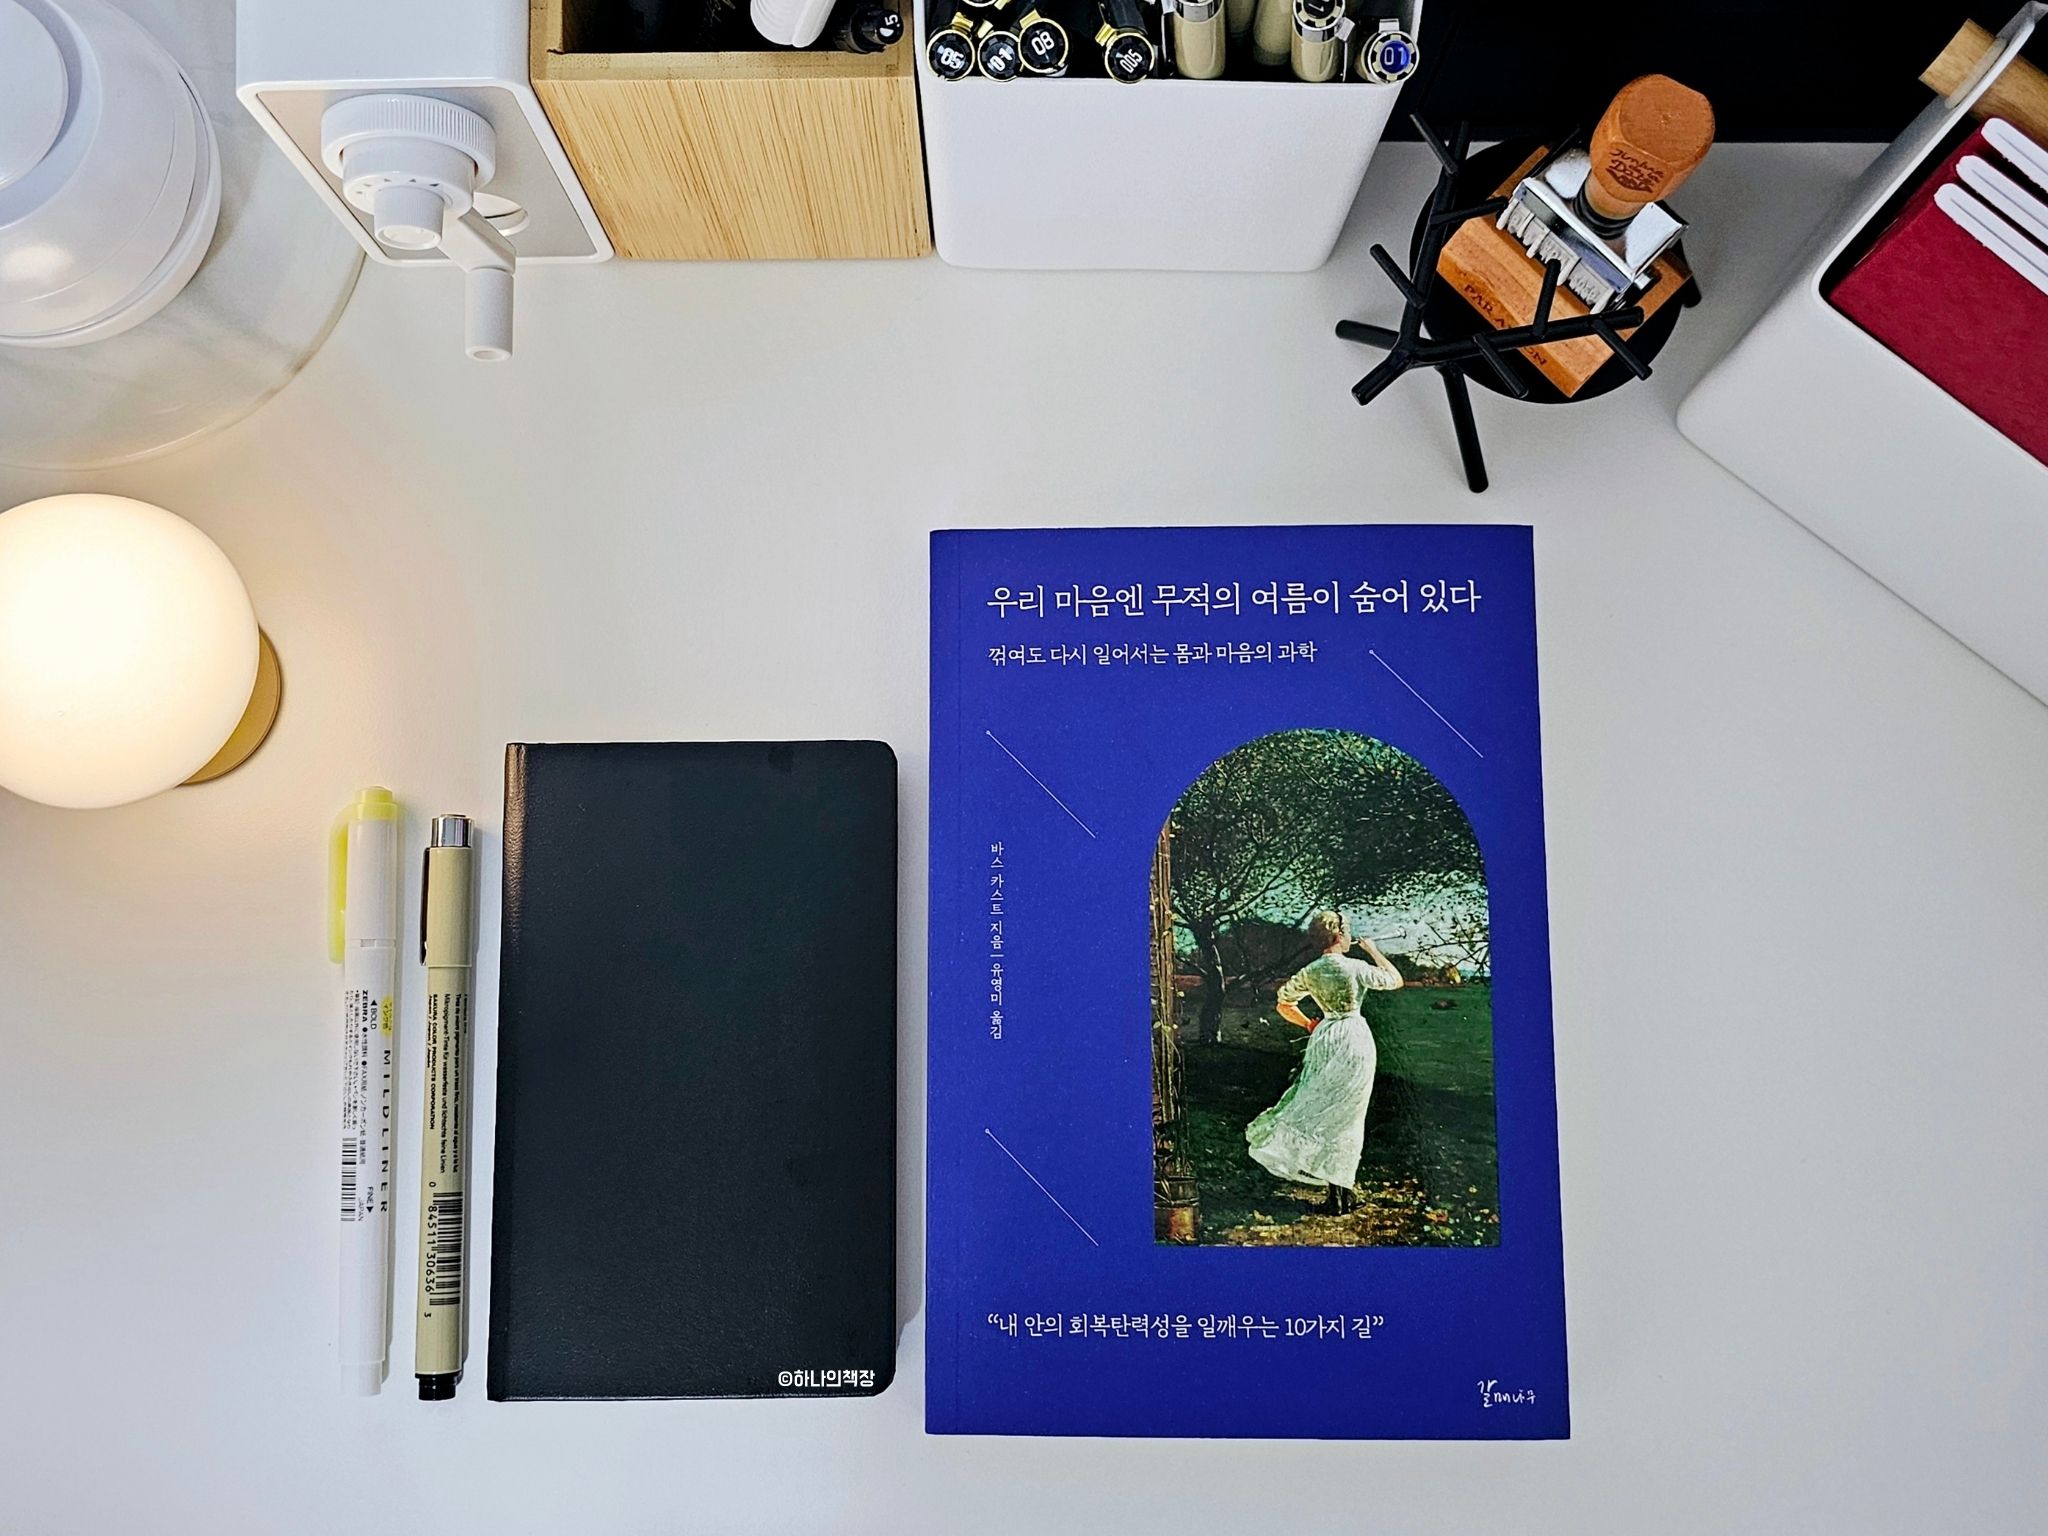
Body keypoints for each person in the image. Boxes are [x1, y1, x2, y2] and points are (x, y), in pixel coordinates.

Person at [1245, 910, 1404, 1214]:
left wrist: (1309, 1024)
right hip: (1354, 1039)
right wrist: (1373, 950)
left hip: (1325, 1038)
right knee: (1348, 1117)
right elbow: (1395, 980)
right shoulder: (1355, 967)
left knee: (1328, 1112)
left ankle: (1338, 1194)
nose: (1350, 937)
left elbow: (1283, 1003)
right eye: (1348, 932)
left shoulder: (1311, 970)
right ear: (1339, 935)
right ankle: (1341, 1195)